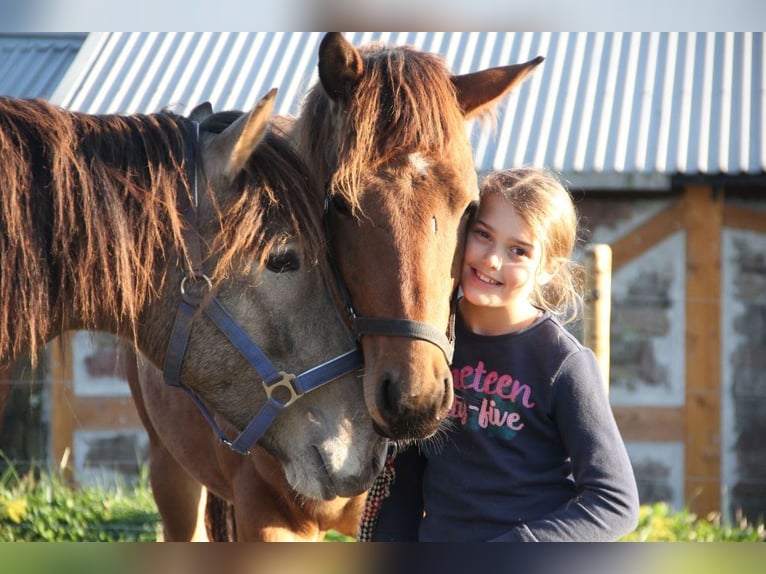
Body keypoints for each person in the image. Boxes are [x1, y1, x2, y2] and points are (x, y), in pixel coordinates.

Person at [363, 166, 640, 542]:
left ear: (549, 269)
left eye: (518, 251)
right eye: (483, 235)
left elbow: (615, 502)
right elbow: (406, 478)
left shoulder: (562, 363)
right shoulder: (431, 345)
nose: (493, 260)